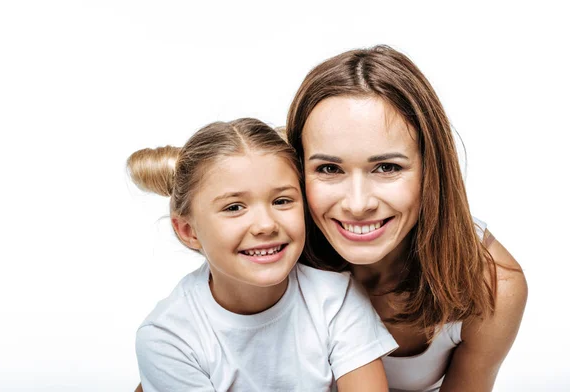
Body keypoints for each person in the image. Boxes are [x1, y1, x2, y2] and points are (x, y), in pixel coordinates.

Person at [285, 45, 528, 391]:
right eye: (329, 168)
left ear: (432, 169)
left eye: (387, 167)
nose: (357, 204)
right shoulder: (273, 250)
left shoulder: (492, 286)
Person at [129, 118, 398, 392]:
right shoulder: (168, 338)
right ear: (188, 231)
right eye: (234, 207)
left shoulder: (337, 299)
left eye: (281, 201)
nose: (266, 225)